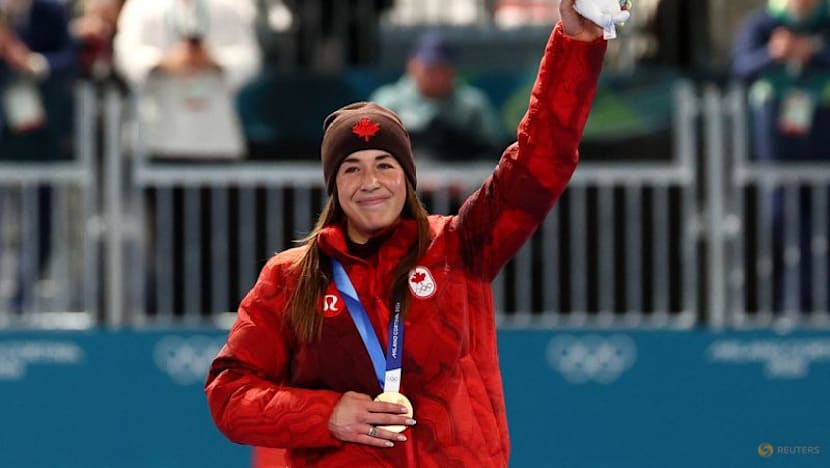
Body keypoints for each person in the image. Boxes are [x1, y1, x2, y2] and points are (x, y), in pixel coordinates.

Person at [205, 1, 608, 465]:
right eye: (351, 169)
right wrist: (327, 413)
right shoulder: (293, 278)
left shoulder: (459, 246)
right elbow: (230, 393)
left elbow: (542, 156)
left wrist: (575, 45)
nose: (370, 182)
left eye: (385, 165)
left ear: (407, 177)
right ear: (334, 187)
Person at [731, 0, 830, 311]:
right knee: (783, 224)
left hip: (821, 133)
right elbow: (740, 68)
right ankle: (789, 308)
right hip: (776, 140)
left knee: (821, 225)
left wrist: (813, 54)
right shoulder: (762, 22)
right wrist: (773, 54)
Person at [370, 30, 504, 161]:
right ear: (412, 65)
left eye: (442, 69)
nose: (436, 76)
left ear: (453, 70)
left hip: (462, 177)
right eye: (429, 68)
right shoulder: (388, 101)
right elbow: (367, 145)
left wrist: (464, 144)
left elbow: (495, 149)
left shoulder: (473, 103)